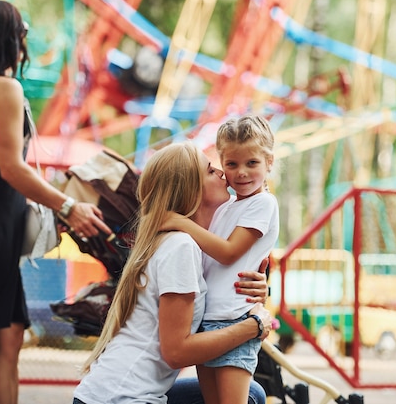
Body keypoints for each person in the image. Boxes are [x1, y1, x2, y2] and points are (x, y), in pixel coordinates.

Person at [0, 0, 112, 404]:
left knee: (8, 340)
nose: (26, 38)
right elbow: (11, 168)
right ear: (8, 37)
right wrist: (67, 205)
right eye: (22, 30)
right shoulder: (5, 88)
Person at [73, 142, 273, 404]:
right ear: (191, 188)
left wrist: (256, 289)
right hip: (121, 399)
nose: (223, 173)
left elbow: (217, 297)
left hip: (107, 396)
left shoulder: (190, 244)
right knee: (250, 397)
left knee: (252, 394)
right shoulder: (181, 246)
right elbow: (176, 353)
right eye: (211, 171)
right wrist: (253, 327)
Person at [163, 115, 279, 404]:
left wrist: (178, 222)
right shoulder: (227, 206)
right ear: (221, 163)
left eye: (251, 163)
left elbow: (228, 253)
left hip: (233, 320)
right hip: (206, 323)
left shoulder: (263, 203)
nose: (241, 173)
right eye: (232, 164)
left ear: (269, 163)